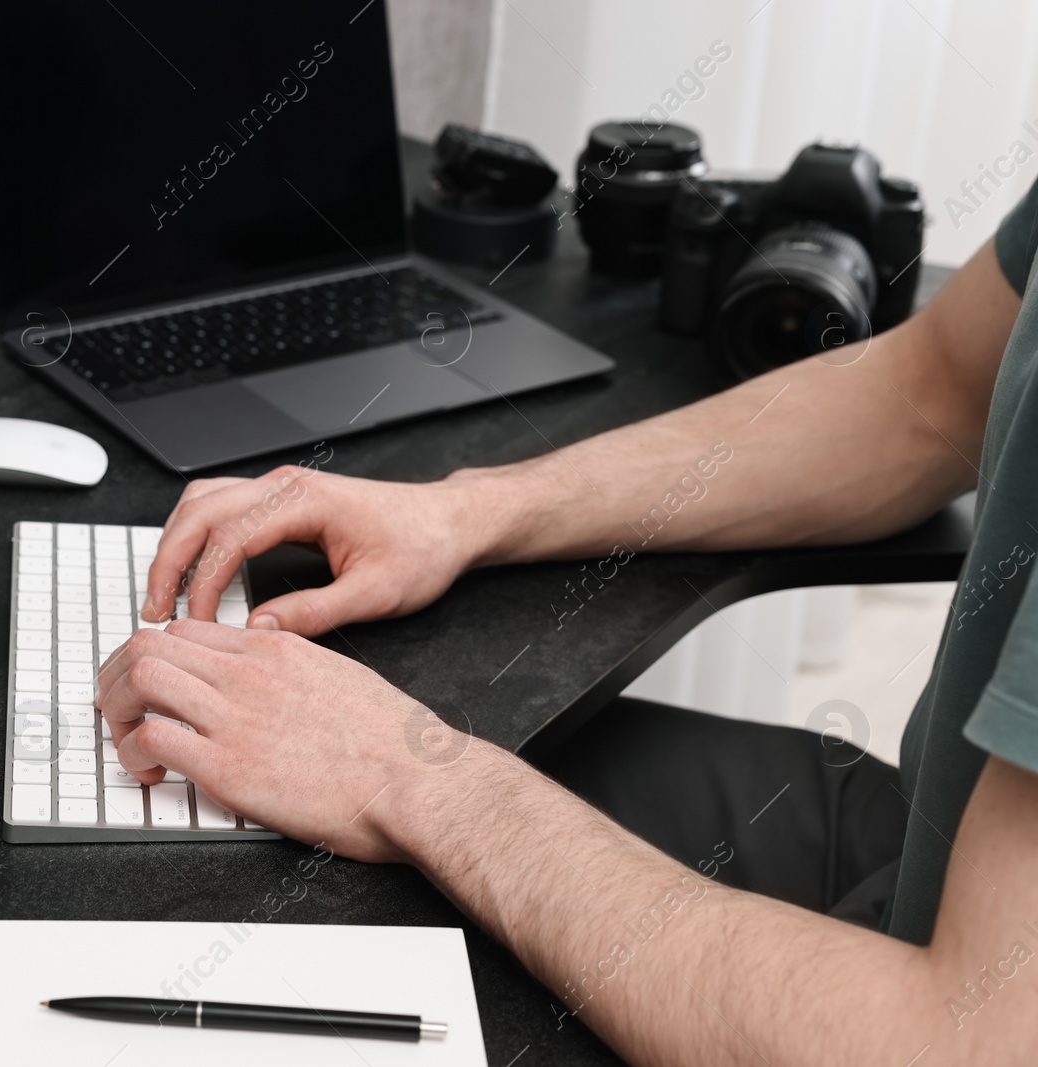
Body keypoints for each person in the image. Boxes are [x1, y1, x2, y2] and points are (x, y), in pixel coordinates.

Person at [95, 181, 1038, 1065]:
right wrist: (466, 512)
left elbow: (952, 1042)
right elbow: (933, 390)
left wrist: (408, 773)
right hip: (927, 848)